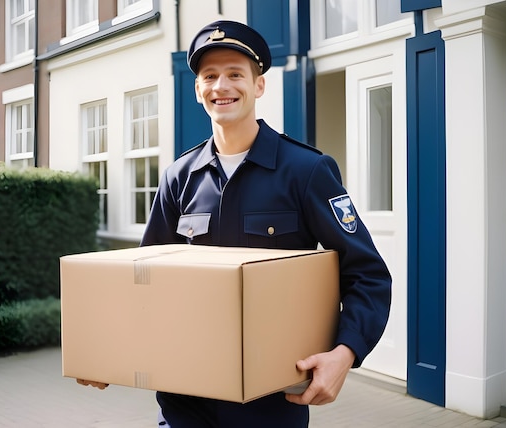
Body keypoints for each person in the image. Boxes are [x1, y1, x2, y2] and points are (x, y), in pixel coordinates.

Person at [81, 20, 391, 428]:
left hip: (270, 401)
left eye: (235, 75)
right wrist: (110, 351)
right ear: (197, 90)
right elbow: (145, 280)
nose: (220, 86)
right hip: (184, 398)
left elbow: (367, 274)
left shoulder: (306, 171)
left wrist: (345, 353)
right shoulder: (178, 177)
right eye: (209, 76)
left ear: (259, 86)